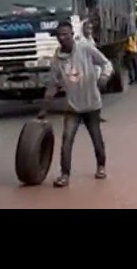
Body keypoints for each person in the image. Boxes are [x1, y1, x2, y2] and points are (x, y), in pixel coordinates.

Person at [39, 20, 113, 187]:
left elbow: (106, 63)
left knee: (96, 138)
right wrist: (45, 108)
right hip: (73, 107)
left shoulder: (85, 49)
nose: (62, 38)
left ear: (72, 35)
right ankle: (64, 175)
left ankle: (101, 166)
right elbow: (53, 85)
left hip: (92, 104)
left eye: (65, 34)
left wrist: (105, 76)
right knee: (67, 139)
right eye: (59, 35)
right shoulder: (57, 59)